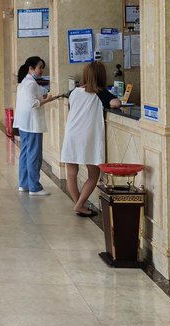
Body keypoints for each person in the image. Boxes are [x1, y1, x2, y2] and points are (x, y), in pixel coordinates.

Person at [61, 61, 121, 216]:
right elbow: (116, 103)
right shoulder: (101, 93)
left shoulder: (74, 92)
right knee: (94, 175)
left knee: (71, 174)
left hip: (71, 134)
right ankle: (79, 205)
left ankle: (79, 205)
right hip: (88, 137)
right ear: (102, 76)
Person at [13, 56, 61, 195]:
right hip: (31, 124)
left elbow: (32, 98)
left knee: (25, 154)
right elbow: (32, 103)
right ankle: (34, 187)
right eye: (40, 67)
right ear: (31, 68)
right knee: (34, 155)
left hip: (24, 123)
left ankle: (24, 184)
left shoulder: (24, 81)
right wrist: (48, 100)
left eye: (42, 68)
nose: (41, 70)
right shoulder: (30, 83)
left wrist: (43, 97)